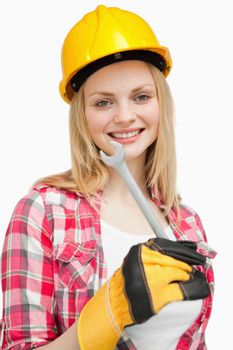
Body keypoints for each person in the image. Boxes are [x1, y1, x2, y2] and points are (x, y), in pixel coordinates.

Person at [0, 4, 216, 350]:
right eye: (103, 103)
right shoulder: (44, 212)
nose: (125, 116)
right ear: (82, 115)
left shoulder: (186, 225)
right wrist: (108, 313)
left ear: (161, 103)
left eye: (141, 97)